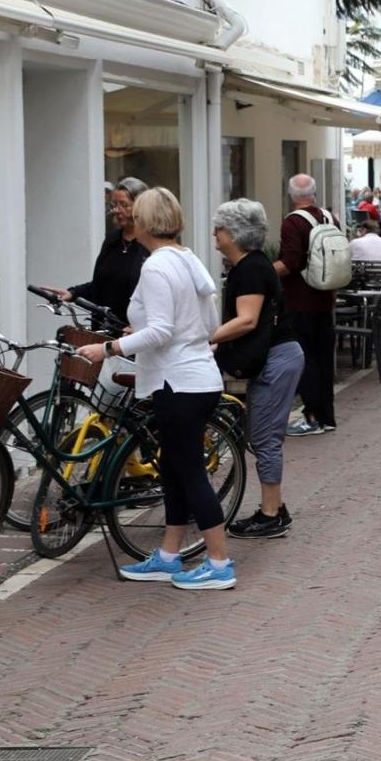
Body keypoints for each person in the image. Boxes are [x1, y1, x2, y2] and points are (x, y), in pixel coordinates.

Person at [77, 188, 236, 590]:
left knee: (189, 471)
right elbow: (206, 322)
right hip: (197, 376)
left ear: (144, 222)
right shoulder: (187, 259)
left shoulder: (155, 267)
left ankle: (219, 562)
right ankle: (169, 554)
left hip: (177, 381)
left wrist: (108, 347)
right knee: (174, 469)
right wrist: (154, 333)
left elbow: (164, 330)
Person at [211, 199, 304, 541]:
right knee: (263, 434)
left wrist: (205, 337)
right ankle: (273, 507)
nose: (215, 235)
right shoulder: (253, 265)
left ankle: (270, 514)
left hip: (277, 359)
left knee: (265, 436)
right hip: (280, 355)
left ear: (233, 234)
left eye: (219, 229)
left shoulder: (250, 269)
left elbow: (247, 319)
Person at [273, 173, 338, 437]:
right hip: (326, 298)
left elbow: (290, 262)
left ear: (290, 195)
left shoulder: (292, 222)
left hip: (299, 300)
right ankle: (327, 416)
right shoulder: (329, 217)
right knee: (323, 359)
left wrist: (263, 272)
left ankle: (311, 417)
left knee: (305, 359)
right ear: (314, 192)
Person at [47, 177, 149, 324]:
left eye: (123, 205)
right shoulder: (113, 239)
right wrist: (72, 293)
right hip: (103, 329)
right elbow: (101, 284)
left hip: (133, 335)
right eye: (114, 204)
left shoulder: (149, 244)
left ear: (141, 207)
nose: (116, 210)